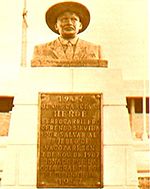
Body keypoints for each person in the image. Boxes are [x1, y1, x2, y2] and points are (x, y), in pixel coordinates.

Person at [32, 1, 101, 62]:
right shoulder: (41, 50)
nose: (69, 23)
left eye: (74, 19)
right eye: (64, 19)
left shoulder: (95, 49)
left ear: (80, 25)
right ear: (56, 26)